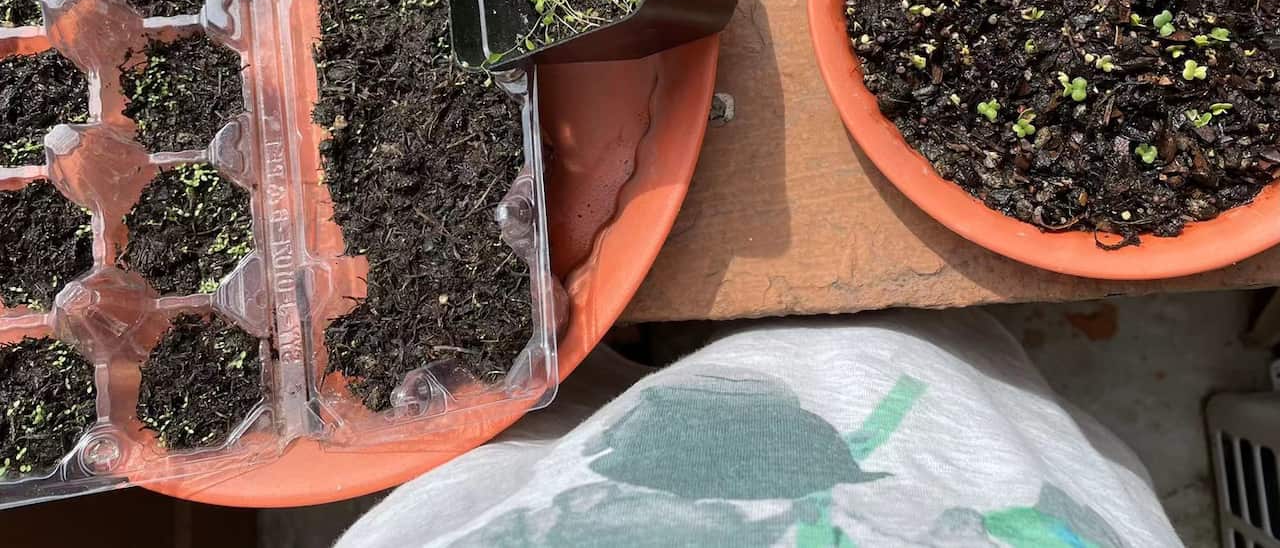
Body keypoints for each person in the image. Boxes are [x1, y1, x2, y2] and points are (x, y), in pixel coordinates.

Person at [336, 310, 1180, 547]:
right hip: (888, 451)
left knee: (522, 416)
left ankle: (595, 356)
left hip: (555, 504)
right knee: (880, 353)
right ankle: (616, 356)